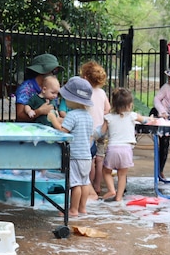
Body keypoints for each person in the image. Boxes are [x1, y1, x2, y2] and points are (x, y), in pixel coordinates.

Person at [46, 76, 95, 217]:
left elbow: (63, 132)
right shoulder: (88, 116)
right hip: (86, 156)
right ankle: (82, 208)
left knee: (75, 184)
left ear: (73, 99)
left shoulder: (72, 115)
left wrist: (53, 119)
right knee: (85, 183)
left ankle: (73, 209)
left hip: (75, 156)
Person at [96, 88, 156, 202]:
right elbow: (145, 121)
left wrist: (93, 134)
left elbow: (101, 132)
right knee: (122, 175)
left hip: (112, 149)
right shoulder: (132, 116)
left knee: (106, 171)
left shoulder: (108, 118)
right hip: (127, 149)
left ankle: (111, 190)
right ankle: (119, 197)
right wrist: (151, 119)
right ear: (130, 105)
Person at [80, 60, 111, 199]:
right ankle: (98, 185)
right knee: (100, 159)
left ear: (85, 77)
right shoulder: (102, 93)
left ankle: (89, 184)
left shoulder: (84, 93)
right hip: (102, 129)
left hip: (89, 131)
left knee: (90, 159)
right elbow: (108, 109)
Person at [15, 53, 64, 122]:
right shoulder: (25, 88)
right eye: (53, 71)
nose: (55, 74)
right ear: (41, 71)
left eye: (56, 71)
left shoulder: (52, 88)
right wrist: (39, 112)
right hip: (28, 130)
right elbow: (20, 116)